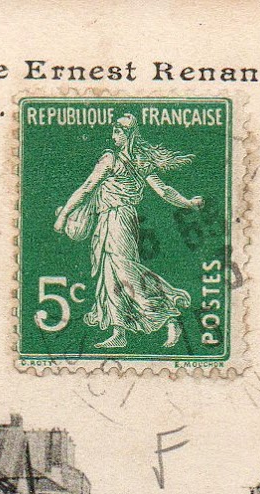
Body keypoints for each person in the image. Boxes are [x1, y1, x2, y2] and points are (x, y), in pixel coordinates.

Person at [53, 113, 204, 350]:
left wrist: (63, 216)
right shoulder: (136, 160)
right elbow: (163, 191)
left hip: (119, 219)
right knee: (110, 275)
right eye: (114, 130)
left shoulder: (113, 160)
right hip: (112, 219)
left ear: (126, 134)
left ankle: (168, 312)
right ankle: (119, 332)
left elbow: (87, 188)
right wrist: (188, 203)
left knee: (125, 271)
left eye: (117, 131)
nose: (114, 135)